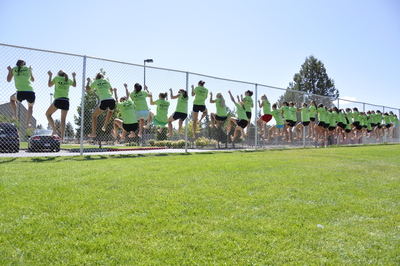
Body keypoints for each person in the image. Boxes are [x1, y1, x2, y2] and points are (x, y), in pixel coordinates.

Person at [46, 70, 76, 141]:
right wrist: (74, 77)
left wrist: (50, 76)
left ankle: (54, 130)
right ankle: (62, 137)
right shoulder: (68, 80)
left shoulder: (56, 78)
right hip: (66, 101)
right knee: (63, 119)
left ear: (58, 74)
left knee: (48, 114)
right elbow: (74, 85)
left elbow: (49, 85)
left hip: (58, 100)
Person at [86, 73, 116, 138]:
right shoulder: (106, 81)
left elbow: (87, 88)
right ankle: (104, 126)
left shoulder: (96, 82)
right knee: (110, 111)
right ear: (103, 77)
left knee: (94, 115)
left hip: (104, 100)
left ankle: (93, 133)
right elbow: (111, 90)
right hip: (112, 100)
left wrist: (88, 81)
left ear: (96, 77)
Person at [6, 59, 35, 127]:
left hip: (20, 92)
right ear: (24, 64)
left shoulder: (14, 69)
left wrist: (10, 71)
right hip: (30, 91)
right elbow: (33, 80)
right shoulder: (28, 68)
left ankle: (15, 115)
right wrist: (30, 70)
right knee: (30, 107)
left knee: (12, 99)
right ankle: (27, 123)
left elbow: (8, 80)